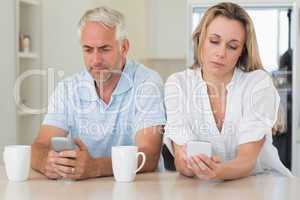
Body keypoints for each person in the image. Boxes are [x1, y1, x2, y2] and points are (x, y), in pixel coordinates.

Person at [31, 7, 166, 180]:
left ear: (124, 47)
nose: (95, 60)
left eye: (104, 49)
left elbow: (149, 156)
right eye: (88, 50)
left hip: (138, 188)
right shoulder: (68, 88)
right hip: (84, 191)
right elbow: (40, 145)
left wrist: (95, 167)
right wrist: (46, 162)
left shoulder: (147, 83)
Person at [163, 2, 293, 180]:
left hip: (260, 183)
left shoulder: (258, 84)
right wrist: (191, 165)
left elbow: (247, 160)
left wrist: (216, 171)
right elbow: (181, 158)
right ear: (200, 38)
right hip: (203, 187)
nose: (221, 53)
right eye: (214, 41)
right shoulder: (177, 84)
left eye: (232, 46)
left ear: (242, 51)